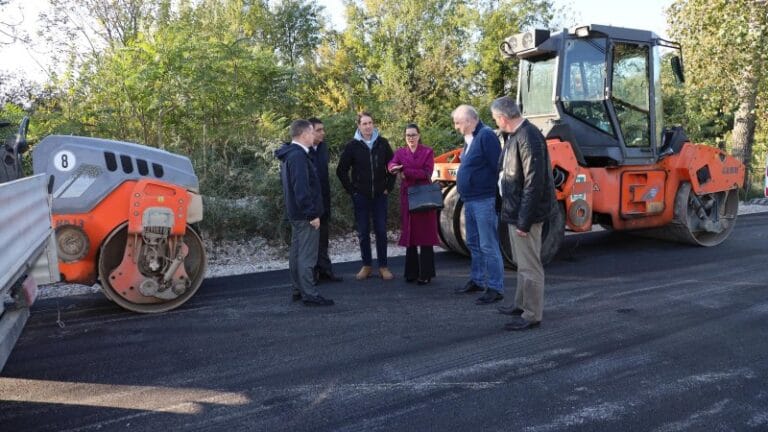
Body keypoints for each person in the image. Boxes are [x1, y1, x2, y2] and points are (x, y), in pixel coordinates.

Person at [491, 96, 555, 330]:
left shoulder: (528, 137)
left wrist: (524, 221)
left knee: (530, 265)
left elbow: (533, 183)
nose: (496, 122)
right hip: (516, 211)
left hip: (524, 215)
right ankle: (520, 304)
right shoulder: (516, 136)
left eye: (495, 119)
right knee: (522, 262)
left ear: (503, 117)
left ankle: (531, 314)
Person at [275, 119, 334, 306]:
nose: (314, 136)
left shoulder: (290, 154)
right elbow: (301, 188)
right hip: (304, 215)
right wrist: (312, 214)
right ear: (302, 135)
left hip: (295, 213)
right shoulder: (298, 156)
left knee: (297, 252)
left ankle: (298, 289)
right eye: (311, 132)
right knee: (307, 255)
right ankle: (309, 293)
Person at [451, 105, 505, 305]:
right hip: (470, 199)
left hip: (484, 200)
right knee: (474, 242)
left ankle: (495, 287)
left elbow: (497, 166)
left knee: (488, 244)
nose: (456, 127)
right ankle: (477, 279)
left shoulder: (486, 136)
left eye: (458, 123)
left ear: (469, 120)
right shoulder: (471, 138)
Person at [336, 112, 396, 280]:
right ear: (359, 126)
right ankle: (367, 266)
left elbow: (393, 167)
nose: (368, 126)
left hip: (379, 196)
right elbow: (341, 170)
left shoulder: (382, 144)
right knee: (363, 232)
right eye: (364, 123)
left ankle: (383, 267)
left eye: (370, 123)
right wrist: (351, 190)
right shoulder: (352, 146)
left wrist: (388, 188)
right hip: (360, 196)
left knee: (381, 231)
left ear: (373, 124)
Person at [387, 123, 440, 284]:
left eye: (413, 135)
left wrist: (405, 172)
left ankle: (426, 274)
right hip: (407, 198)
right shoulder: (400, 152)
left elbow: (427, 172)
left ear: (419, 135)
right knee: (410, 234)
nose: (411, 138)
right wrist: (394, 168)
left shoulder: (427, 151)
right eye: (408, 135)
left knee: (425, 236)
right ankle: (411, 273)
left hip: (423, 197)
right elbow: (391, 164)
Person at [308, 117, 343, 283]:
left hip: (324, 200)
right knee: (311, 240)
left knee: (323, 238)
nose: (323, 133)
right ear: (309, 131)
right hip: (310, 204)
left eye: (323, 129)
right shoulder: (302, 151)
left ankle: (325, 270)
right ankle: (311, 274)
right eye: (319, 130)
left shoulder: (323, 148)